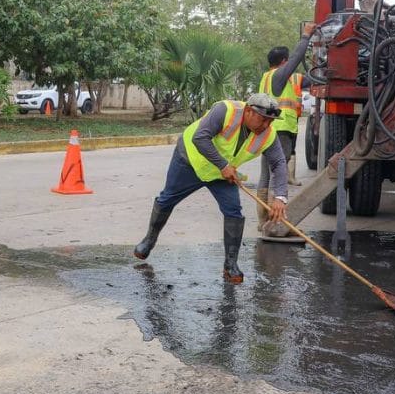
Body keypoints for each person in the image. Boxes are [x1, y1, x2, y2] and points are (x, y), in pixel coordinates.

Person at [132, 92, 289, 284]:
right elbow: (200, 137)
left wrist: (280, 197)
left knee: (234, 212)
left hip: (222, 174)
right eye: (263, 119)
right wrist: (223, 165)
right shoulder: (226, 111)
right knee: (167, 199)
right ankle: (149, 240)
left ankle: (230, 264)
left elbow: (279, 162)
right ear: (248, 111)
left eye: (270, 122)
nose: (266, 125)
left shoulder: (268, 135)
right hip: (189, 161)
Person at [256, 23, 317, 207]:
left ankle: (263, 215)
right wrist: (306, 36)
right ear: (284, 61)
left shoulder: (269, 77)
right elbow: (297, 58)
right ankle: (274, 211)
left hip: (269, 129)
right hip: (280, 129)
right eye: (288, 61)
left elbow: (311, 79)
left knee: (266, 173)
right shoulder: (278, 76)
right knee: (278, 171)